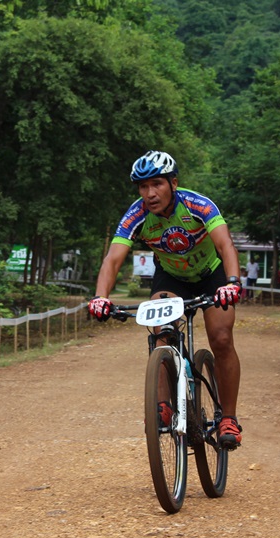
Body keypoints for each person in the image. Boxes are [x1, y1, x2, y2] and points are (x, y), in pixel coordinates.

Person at [87, 151, 244, 449]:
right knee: (162, 334)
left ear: (173, 183)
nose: (150, 193)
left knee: (222, 338)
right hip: (171, 278)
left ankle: (229, 418)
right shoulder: (136, 215)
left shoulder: (198, 205)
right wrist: (100, 298)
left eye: (157, 184)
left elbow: (226, 245)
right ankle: (163, 407)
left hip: (212, 274)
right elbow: (113, 259)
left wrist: (232, 283)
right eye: (143, 187)